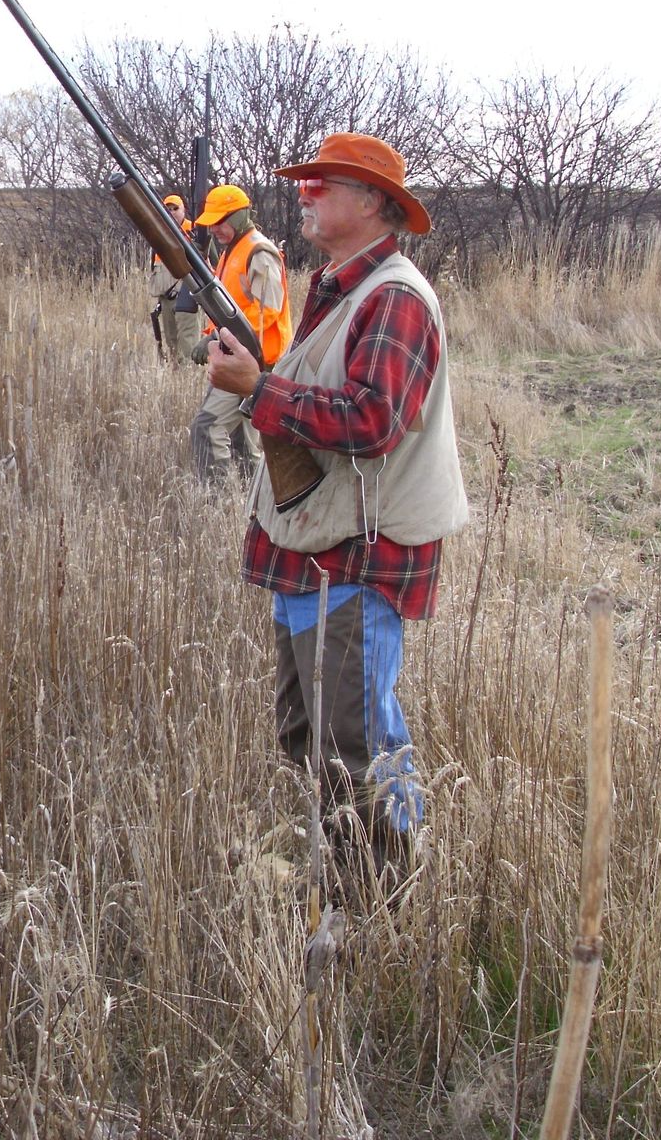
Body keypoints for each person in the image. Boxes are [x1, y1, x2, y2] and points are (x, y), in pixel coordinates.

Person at [205, 133, 468, 891]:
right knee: (309, 730)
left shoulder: (395, 297)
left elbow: (372, 420)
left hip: (359, 553)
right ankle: (346, 870)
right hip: (317, 545)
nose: (307, 193)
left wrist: (259, 389)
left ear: (375, 204)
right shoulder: (340, 287)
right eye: (309, 182)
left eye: (326, 183)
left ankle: (383, 895)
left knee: (356, 739)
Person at [189, 182, 290, 481]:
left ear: (239, 216)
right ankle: (250, 502)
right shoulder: (232, 250)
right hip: (238, 354)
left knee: (207, 428)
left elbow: (267, 310)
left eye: (221, 222)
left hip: (255, 360)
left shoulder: (258, 252)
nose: (216, 229)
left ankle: (212, 503)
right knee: (242, 440)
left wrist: (216, 335)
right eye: (212, 223)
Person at [146, 194, 200, 363]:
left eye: (175, 208)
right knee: (171, 342)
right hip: (165, 299)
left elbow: (210, 263)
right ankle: (177, 377)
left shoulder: (195, 231)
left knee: (188, 342)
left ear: (184, 210)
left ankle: (190, 378)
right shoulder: (159, 234)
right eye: (168, 209)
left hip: (186, 296)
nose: (172, 212)